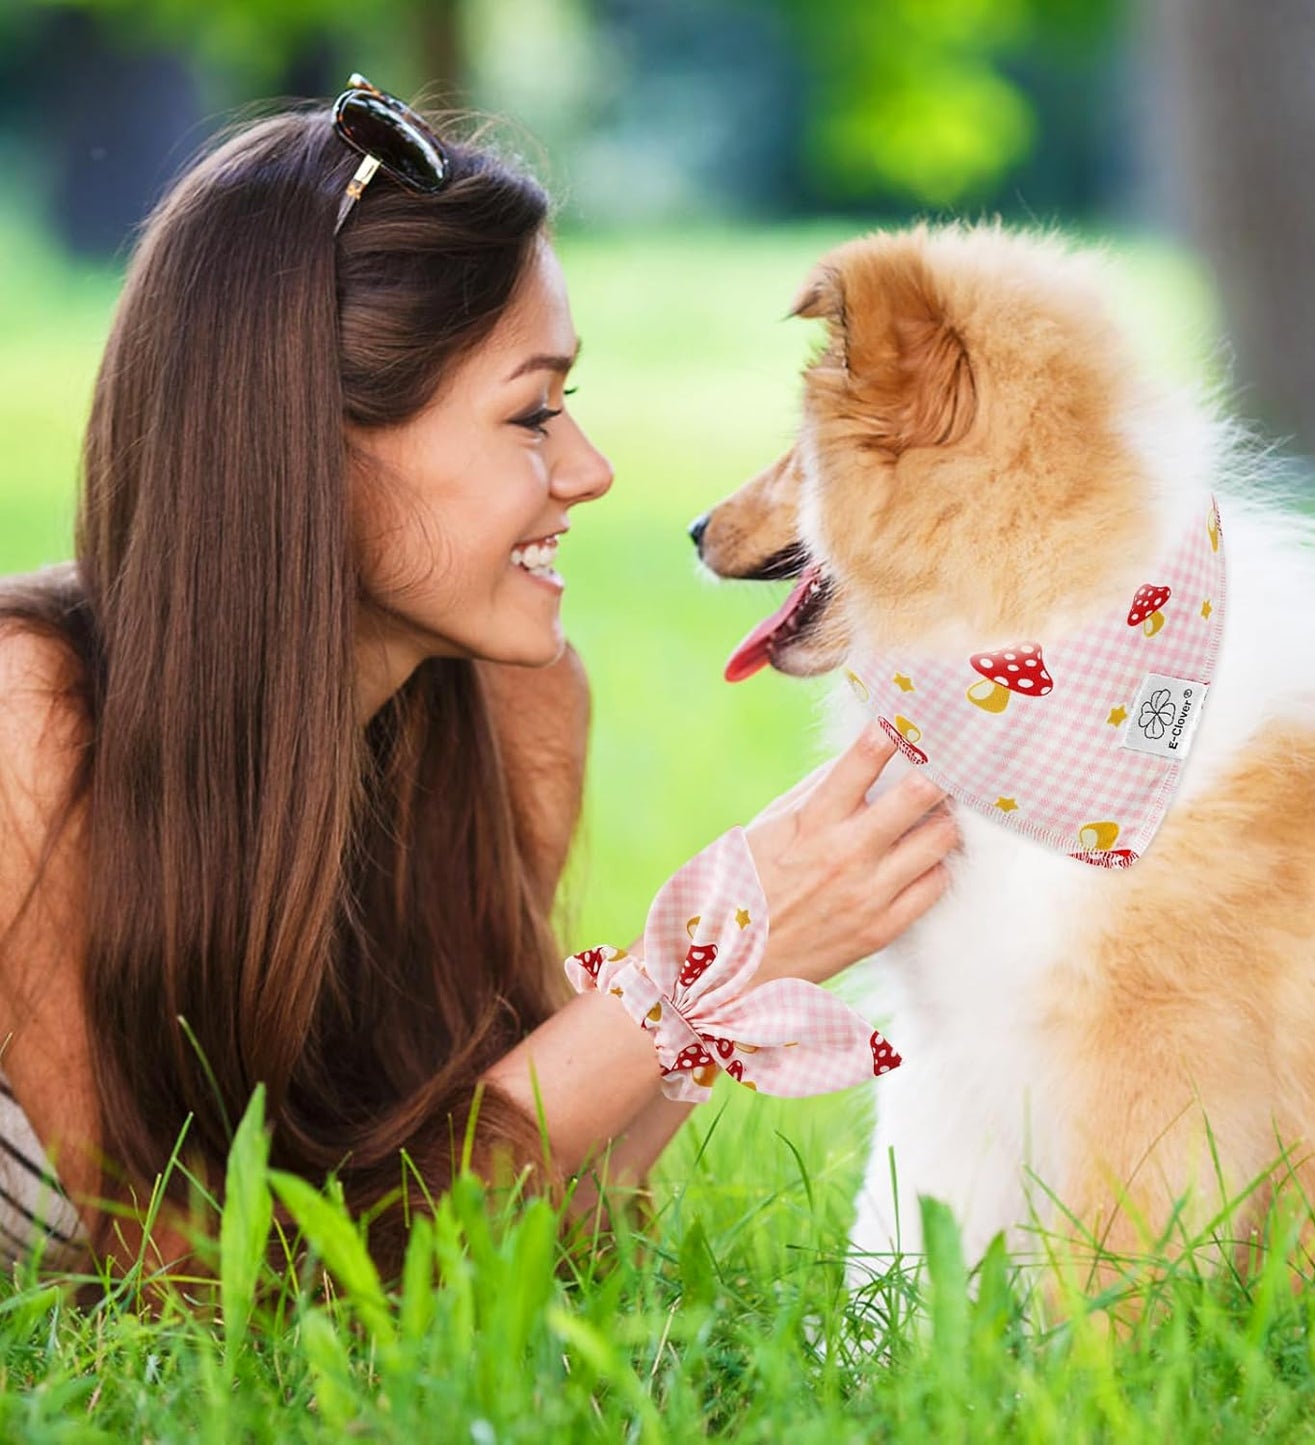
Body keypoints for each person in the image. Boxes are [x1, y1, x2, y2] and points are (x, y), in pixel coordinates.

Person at [0, 78, 960, 1282]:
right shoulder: (29, 719)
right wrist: (683, 966)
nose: (591, 468)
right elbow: (185, 1277)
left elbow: (510, 1232)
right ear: (313, 445)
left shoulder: (517, 704)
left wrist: (725, 980)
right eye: (531, 413)